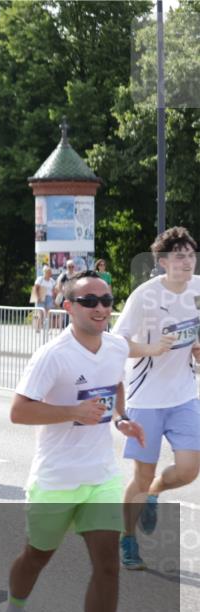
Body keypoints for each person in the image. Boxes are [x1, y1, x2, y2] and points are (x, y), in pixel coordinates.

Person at [0, 270, 145, 612]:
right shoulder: (53, 355)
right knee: (36, 556)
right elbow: (18, 411)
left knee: (108, 565)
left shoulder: (115, 347)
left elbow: (113, 385)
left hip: (100, 475)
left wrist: (120, 419)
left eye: (106, 300)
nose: (101, 308)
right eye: (89, 301)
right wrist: (71, 411)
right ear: (68, 308)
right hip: (56, 477)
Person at [113, 227, 200, 569]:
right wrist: (149, 348)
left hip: (183, 395)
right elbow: (117, 341)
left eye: (190, 255)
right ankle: (128, 539)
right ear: (163, 262)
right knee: (141, 475)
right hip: (145, 398)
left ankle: (154, 494)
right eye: (179, 256)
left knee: (190, 469)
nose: (186, 262)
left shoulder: (198, 288)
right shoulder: (145, 297)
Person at [32, 266, 56, 332]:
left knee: (48, 314)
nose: (50, 273)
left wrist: (54, 300)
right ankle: (38, 328)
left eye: (50, 272)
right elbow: (36, 288)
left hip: (49, 297)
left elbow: (54, 291)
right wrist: (37, 297)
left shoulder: (52, 281)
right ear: (45, 272)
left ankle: (47, 329)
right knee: (41, 313)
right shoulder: (40, 279)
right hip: (41, 296)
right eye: (48, 272)